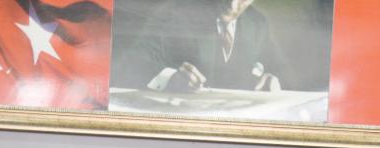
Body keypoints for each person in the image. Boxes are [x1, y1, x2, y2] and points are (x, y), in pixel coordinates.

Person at [111, 0, 281, 92]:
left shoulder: (258, 23)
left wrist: (269, 79)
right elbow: (132, 61)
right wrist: (171, 78)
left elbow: (273, 67)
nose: (232, 4)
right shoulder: (177, 11)